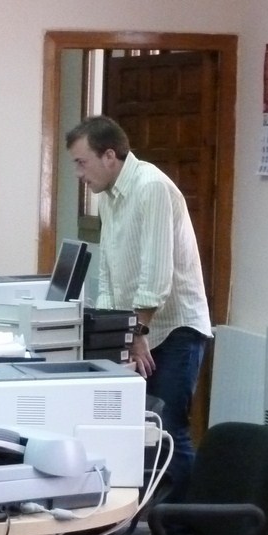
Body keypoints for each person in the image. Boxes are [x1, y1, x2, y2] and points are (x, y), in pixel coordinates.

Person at [65, 115, 212, 502]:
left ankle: (183, 525)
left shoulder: (150, 187)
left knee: (168, 429)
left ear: (109, 156)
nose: (78, 174)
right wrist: (112, 334)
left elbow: (157, 273)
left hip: (174, 329)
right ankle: (144, 514)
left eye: (81, 162)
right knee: (134, 427)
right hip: (138, 331)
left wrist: (137, 331)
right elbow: (110, 271)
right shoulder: (109, 197)